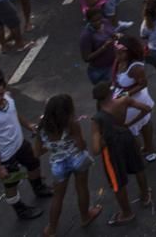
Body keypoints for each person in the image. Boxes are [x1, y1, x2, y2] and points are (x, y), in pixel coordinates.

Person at [0, 69, 53, 221]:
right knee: (11, 184)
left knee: (34, 165)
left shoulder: (8, 98)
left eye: (1, 93)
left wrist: (28, 125)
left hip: (21, 144)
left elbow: (15, 114)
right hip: (6, 156)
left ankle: (38, 188)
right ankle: (20, 210)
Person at [35, 93, 102, 236]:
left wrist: (52, 146)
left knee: (58, 197)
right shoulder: (71, 124)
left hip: (58, 165)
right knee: (82, 188)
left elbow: (37, 152)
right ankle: (85, 216)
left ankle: (52, 229)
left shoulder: (41, 127)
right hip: (77, 159)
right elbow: (81, 145)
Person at [91, 81, 151, 226]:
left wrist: (104, 139)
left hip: (112, 148)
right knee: (138, 167)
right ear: (111, 94)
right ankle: (145, 196)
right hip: (127, 137)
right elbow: (146, 108)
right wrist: (129, 124)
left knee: (117, 181)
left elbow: (96, 149)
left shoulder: (97, 118)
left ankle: (127, 213)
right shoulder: (124, 101)